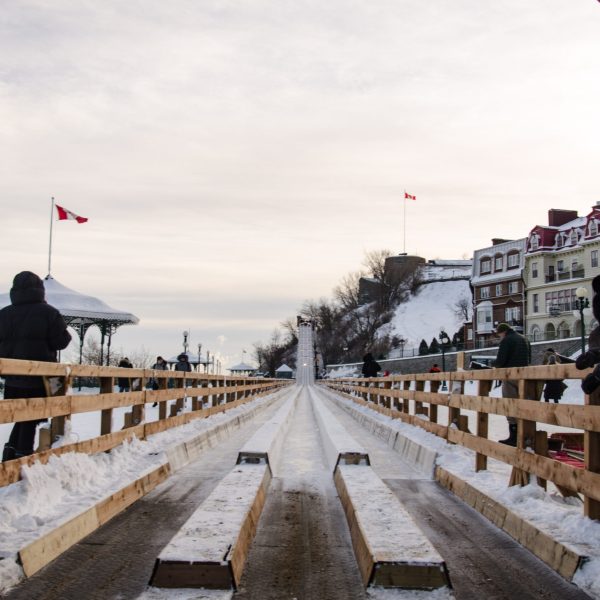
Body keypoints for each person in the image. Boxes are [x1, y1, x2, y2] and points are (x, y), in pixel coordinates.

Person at [0, 271, 71, 461]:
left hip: (12, 380)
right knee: (30, 419)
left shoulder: (4, 314)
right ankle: (22, 461)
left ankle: (10, 455)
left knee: (22, 418)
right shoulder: (48, 312)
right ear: (40, 289)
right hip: (40, 379)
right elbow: (62, 342)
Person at [493, 322, 530, 446]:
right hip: (525, 376)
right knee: (524, 406)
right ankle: (526, 436)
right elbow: (529, 358)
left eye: (499, 335)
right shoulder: (524, 338)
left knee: (510, 404)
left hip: (510, 376)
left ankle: (514, 437)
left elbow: (500, 360)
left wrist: (494, 366)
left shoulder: (506, 340)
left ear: (502, 332)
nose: (500, 338)